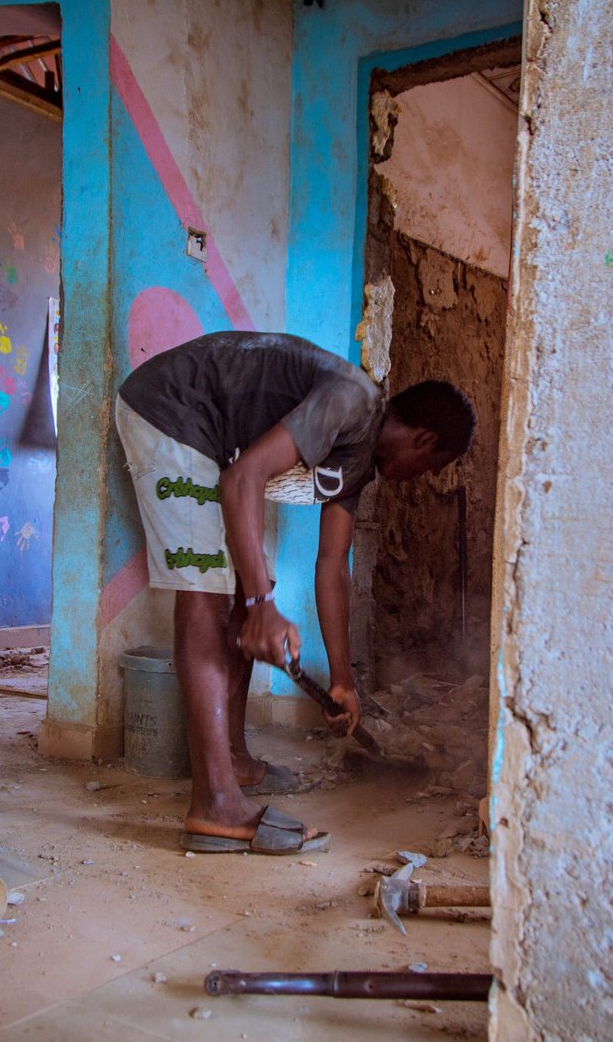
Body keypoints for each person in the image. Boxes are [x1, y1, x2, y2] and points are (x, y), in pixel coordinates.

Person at [114, 331, 475, 854]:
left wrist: (343, 682)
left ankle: (233, 760)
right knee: (208, 593)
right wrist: (263, 606)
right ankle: (214, 803)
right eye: (432, 467)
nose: (421, 478)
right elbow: (244, 478)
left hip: (207, 436)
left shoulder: (358, 463)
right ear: (424, 441)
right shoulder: (352, 400)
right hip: (171, 409)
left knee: (242, 590)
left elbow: (332, 567)